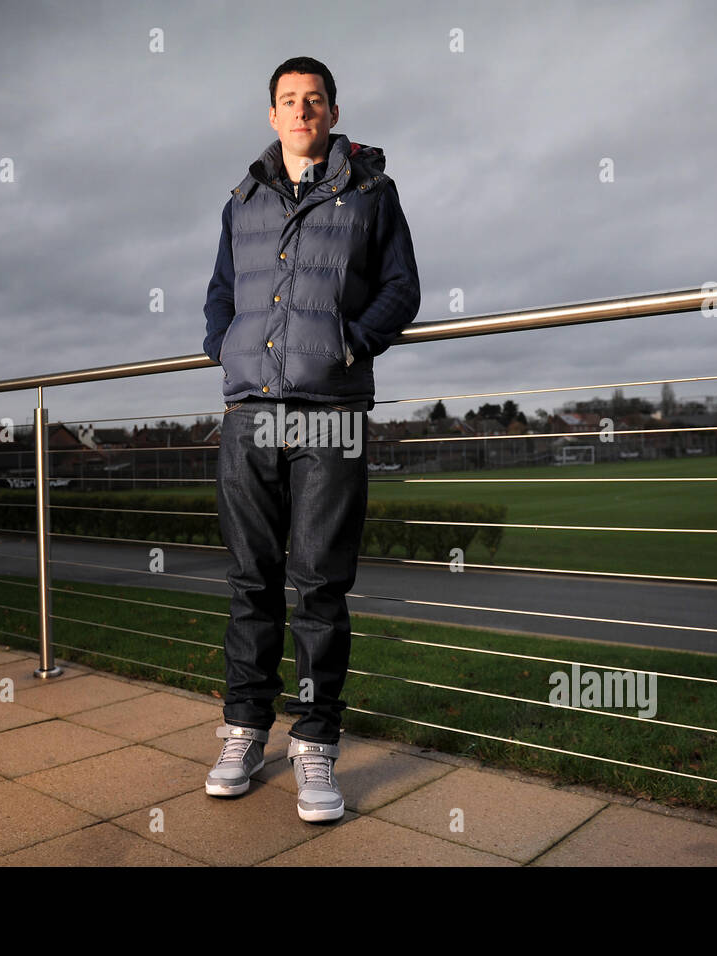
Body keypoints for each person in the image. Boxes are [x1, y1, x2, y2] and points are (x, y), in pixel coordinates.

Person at [200, 56, 421, 822]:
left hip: (330, 409)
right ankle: (244, 728)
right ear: (272, 115)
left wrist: (350, 344)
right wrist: (222, 345)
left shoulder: (371, 191)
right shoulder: (244, 198)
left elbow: (403, 288)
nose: (302, 111)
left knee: (320, 584)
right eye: (289, 101)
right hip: (249, 412)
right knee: (250, 582)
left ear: (331, 111)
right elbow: (221, 292)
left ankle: (316, 742)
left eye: (314, 100)